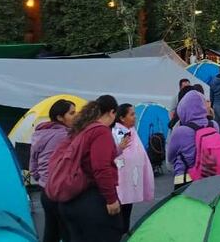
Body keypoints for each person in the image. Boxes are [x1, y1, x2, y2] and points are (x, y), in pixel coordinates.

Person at [57, 95, 123, 242]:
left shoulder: (81, 130)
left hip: (70, 199)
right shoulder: (101, 132)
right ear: (112, 112)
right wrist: (111, 199)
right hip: (92, 199)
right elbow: (101, 167)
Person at [30, 99, 76, 242]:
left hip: (45, 191)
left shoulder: (40, 133)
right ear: (60, 117)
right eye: (72, 113)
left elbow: (33, 164)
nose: (76, 116)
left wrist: (42, 179)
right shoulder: (64, 135)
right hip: (60, 190)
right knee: (68, 231)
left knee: (51, 230)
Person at [112, 104, 154, 233]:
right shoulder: (118, 132)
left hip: (129, 180)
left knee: (127, 210)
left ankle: (125, 232)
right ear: (122, 118)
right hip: (121, 182)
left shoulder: (131, 131)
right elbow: (120, 157)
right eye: (132, 114)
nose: (135, 117)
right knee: (120, 216)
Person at [167, 91, 217, 190]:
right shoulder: (214, 125)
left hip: (184, 179)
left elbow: (170, 158)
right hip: (209, 176)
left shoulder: (181, 131)